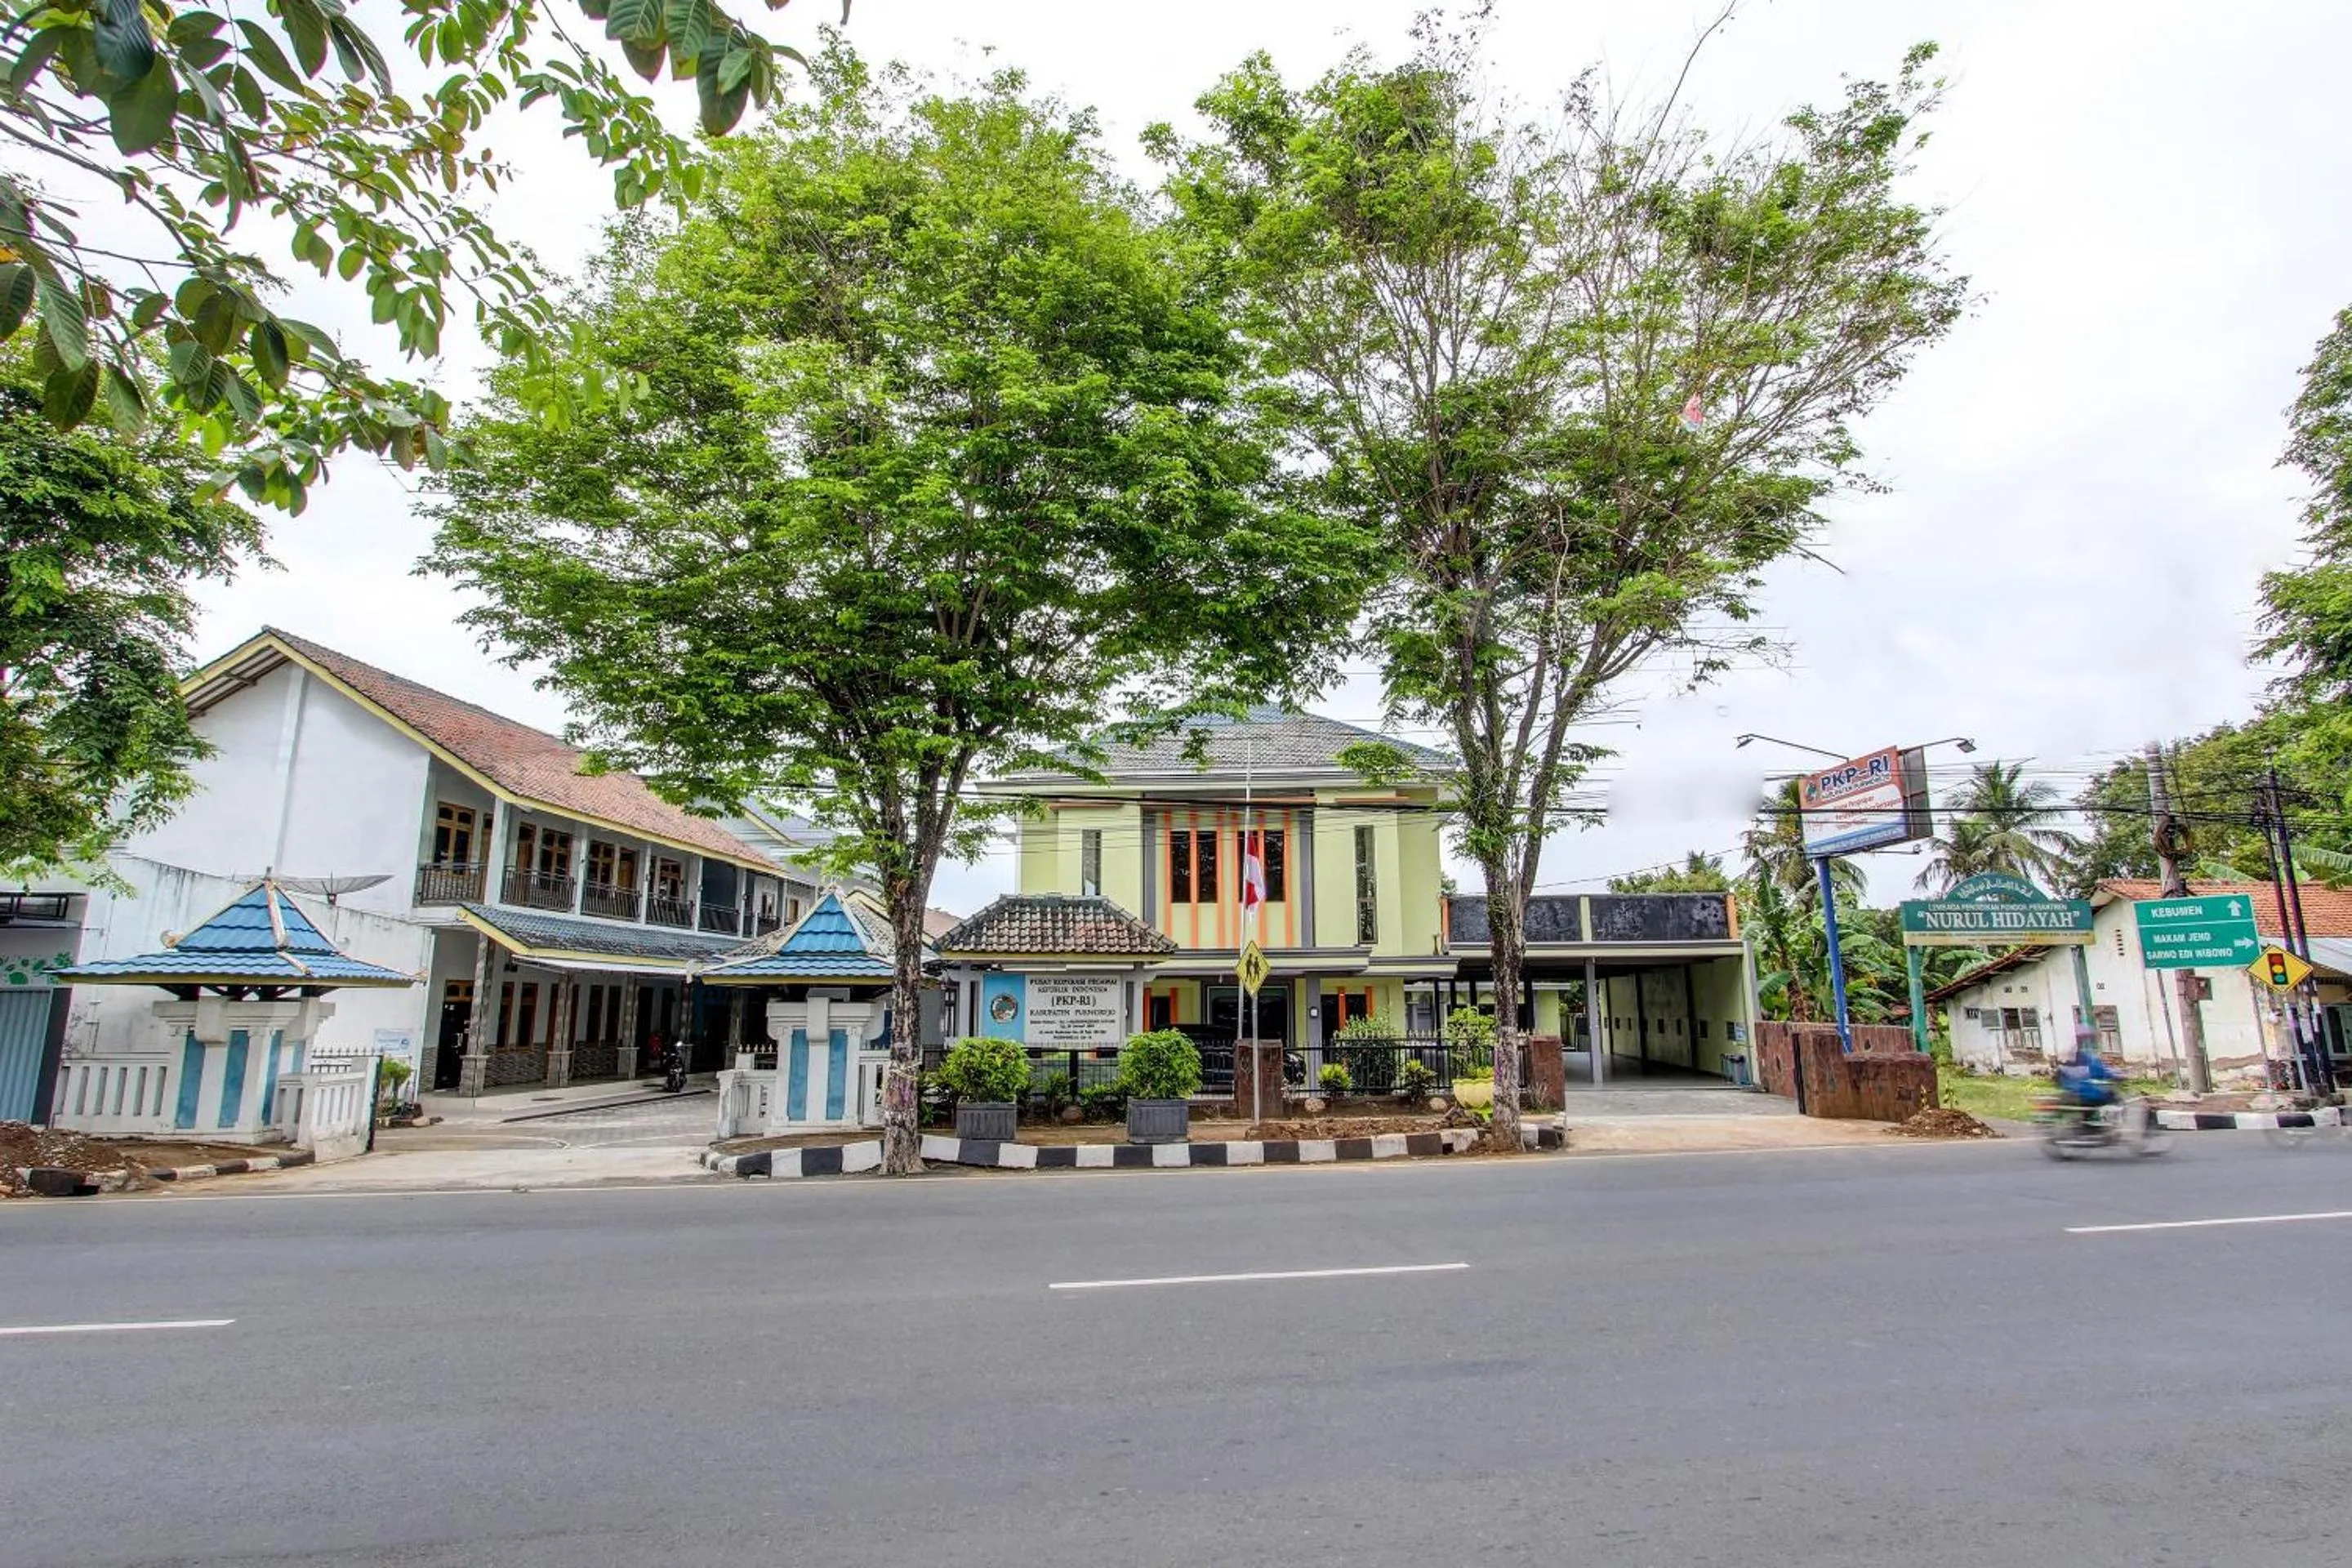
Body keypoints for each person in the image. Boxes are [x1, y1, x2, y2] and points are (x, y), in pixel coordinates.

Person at [2054, 1030, 2118, 1130]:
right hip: (2086, 1093)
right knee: (2110, 1096)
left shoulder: (2068, 1061)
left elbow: (2059, 1078)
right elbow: (2101, 1072)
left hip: (2072, 1092)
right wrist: (2114, 1076)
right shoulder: (2088, 1060)